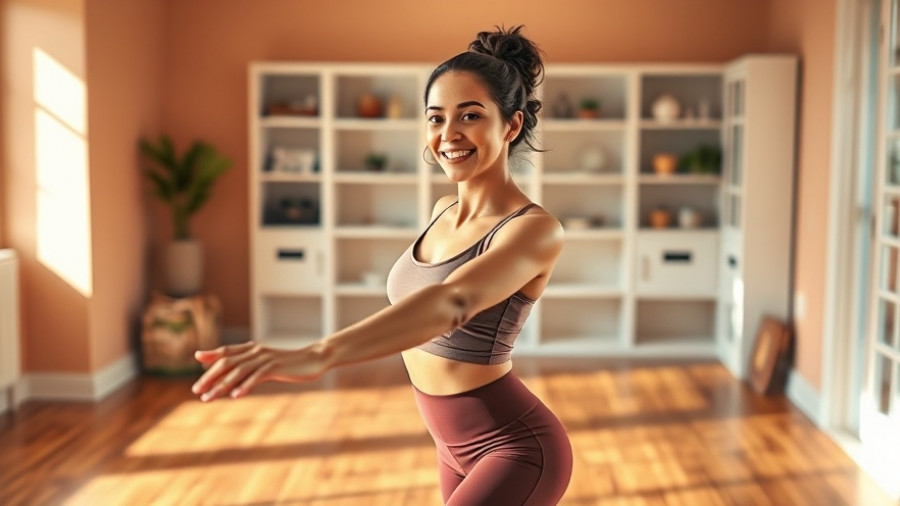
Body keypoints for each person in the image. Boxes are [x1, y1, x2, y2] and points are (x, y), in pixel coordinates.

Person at [191, 25, 573, 506]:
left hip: (514, 447)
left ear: (511, 125)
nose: (448, 135)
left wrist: (320, 354)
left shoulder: (533, 229)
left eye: (470, 116)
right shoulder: (442, 211)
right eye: (436, 118)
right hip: (448, 444)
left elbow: (451, 301)